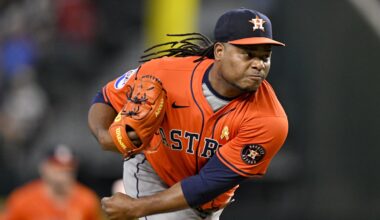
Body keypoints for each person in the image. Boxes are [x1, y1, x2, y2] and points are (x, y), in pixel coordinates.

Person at [88, 8, 288, 220]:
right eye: (248, 55)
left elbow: (207, 183)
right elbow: (107, 97)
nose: (258, 65)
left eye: (265, 57)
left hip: (205, 198)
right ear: (219, 51)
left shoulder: (269, 120)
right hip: (152, 173)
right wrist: (104, 136)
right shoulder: (165, 73)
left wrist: (136, 208)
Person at [3, 144, 103, 220]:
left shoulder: (87, 199)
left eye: (68, 166)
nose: (62, 171)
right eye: (56, 165)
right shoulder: (23, 199)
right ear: (44, 167)